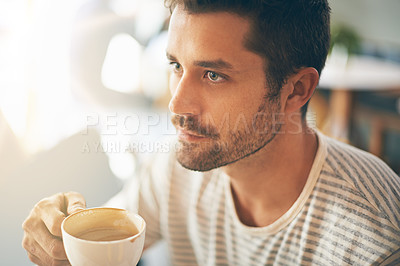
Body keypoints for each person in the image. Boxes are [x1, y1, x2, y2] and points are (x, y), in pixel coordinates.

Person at [22, 0, 400, 265]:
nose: (176, 105)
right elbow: (113, 234)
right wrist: (62, 241)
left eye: (213, 75)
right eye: (175, 66)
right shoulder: (175, 168)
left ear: (296, 90)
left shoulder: (374, 240)